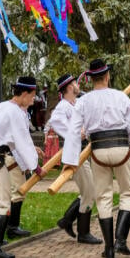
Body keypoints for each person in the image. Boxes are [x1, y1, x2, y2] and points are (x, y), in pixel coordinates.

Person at [62, 59, 130, 258]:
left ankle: (109, 248)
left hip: (98, 150)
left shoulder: (83, 101)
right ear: (107, 76)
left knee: (103, 196)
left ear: (91, 79)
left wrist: (70, 160)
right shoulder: (120, 96)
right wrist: (123, 140)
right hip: (121, 146)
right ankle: (120, 240)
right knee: (128, 193)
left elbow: (74, 131)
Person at [0, 76, 44, 258]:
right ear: (23, 93)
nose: (32, 101)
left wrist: (30, 165)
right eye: (32, 96)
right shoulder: (16, 113)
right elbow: (22, 143)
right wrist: (35, 168)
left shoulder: (1, 107)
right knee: (4, 202)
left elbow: (10, 142)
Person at [47, 73, 102, 245]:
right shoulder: (63, 106)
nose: (78, 85)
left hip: (80, 152)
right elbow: (55, 121)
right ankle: (83, 233)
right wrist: (75, 134)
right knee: (90, 192)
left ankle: (67, 220)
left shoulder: (75, 104)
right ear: (69, 87)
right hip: (74, 154)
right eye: (74, 83)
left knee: (88, 190)